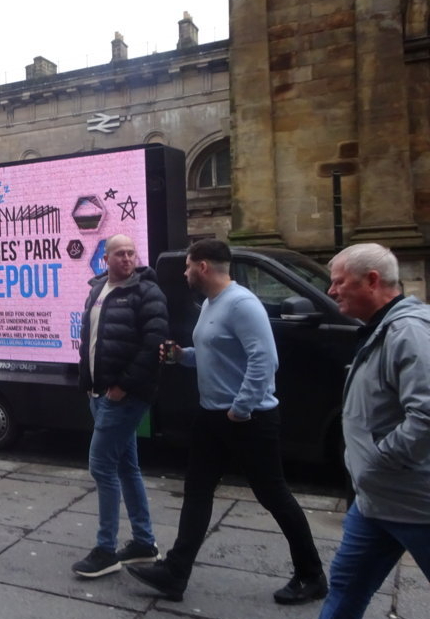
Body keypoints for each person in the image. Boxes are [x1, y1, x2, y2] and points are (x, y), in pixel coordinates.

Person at [127, 239, 326, 604]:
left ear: (203, 266)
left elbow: (265, 361)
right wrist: (180, 355)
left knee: (273, 494)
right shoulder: (210, 305)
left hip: (248, 419)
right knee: (197, 491)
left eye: (188, 266)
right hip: (212, 416)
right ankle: (175, 573)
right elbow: (209, 354)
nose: (185, 273)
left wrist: (242, 408)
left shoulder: (243, 304)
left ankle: (312, 575)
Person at [317, 244, 430, 619]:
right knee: (345, 591)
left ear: (372, 280)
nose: (331, 291)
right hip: (375, 503)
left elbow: (427, 415)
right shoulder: (380, 328)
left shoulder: (409, 332)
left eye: (338, 282)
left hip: (415, 504)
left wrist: (381, 460)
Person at [71, 234, 168, 578]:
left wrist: (122, 387)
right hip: (99, 394)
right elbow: (91, 341)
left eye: (131, 253)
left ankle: (106, 549)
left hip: (124, 397)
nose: (127, 258)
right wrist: (88, 384)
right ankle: (144, 543)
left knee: (101, 467)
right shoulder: (98, 289)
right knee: (127, 467)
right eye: (120, 253)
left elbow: (153, 343)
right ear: (106, 258)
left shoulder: (146, 292)